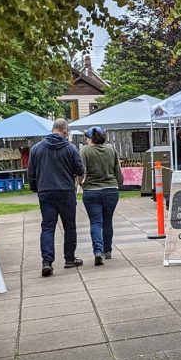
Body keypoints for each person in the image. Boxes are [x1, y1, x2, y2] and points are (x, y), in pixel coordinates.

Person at [27, 118, 85, 277]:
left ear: (53, 129)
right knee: (70, 226)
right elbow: (80, 170)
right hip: (66, 191)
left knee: (47, 227)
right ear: (65, 130)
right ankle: (69, 259)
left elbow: (31, 173)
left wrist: (35, 188)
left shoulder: (37, 148)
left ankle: (47, 262)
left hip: (45, 191)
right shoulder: (70, 148)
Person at [80, 126, 123, 266]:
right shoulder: (111, 149)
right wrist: (119, 184)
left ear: (91, 138)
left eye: (87, 137)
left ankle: (97, 251)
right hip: (111, 189)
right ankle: (108, 250)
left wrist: (81, 184)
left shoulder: (85, 150)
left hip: (92, 190)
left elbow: (81, 170)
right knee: (108, 221)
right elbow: (117, 168)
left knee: (95, 222)